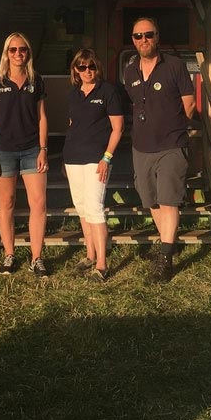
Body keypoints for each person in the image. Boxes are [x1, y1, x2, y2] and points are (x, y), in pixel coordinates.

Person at [122, 18, 195, 282]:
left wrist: (173, 128)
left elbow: (189, 104)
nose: (143, 40)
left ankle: (165, 258)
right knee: (150, 199)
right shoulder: (130, 70)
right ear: (133, 40)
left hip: (171, 145)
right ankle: (169, 243)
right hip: (141, 146)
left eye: (148, 35)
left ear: (157, 37)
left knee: (168, 199)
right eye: (138, 36)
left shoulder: (175, 66)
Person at [0, 32, 50, 277]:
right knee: (7, 203)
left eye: (22, 49)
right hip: (3, 150)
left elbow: (42, 117)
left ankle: (37, 257)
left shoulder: (37, 80)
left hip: (33, 149)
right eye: (13, 50)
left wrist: (44, 149)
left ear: (28, 52)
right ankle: (9, 254)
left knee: (39, 204)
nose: (18, 54)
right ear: (6, 53)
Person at [63, 49, 124, 282]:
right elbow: (72, 124)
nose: (87, 71)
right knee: (81, 208)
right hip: (73, 157)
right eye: (82, 67)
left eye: (91, 66)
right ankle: (89, 255)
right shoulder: (73, 94)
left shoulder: (108, 91)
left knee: (95, 207)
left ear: (97, 67)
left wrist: (107, 157)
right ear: (75, 70)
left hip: (97, 159)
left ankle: (102, 264)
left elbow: (118, 128)